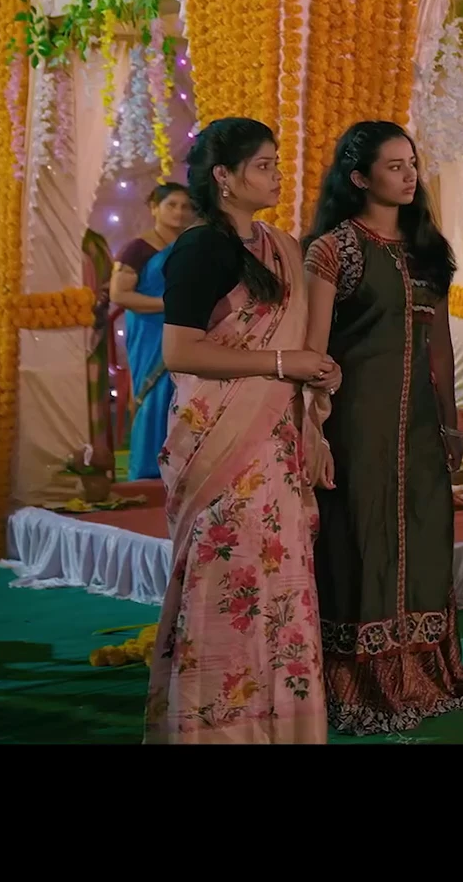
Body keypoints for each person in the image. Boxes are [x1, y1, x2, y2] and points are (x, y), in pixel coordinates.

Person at [146, 117, 338, 744]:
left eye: (276, 162)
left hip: (276, 438)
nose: (276, 173)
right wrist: (283, 363)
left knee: (280, 576)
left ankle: (283, 723)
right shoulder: (201, 248)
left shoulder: (280, 246)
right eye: (263, 164)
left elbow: (296, 347)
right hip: (221, 438)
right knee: (226, 577)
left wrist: (314, 376)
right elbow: (180, 351)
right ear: (223, 177)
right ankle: (218, 728)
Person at [303, 121, 463, 735]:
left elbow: (439, 347)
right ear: (359, 178)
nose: (410, 175)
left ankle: (427, 670)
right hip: (355, 422)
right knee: (362, 539)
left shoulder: (426, 248)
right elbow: (313, 350)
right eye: (395, 166)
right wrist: (312, 428)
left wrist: (451, 423)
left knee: (425, 535)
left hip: (419, 426)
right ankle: (359, 682)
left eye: (412, 163)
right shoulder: (333, 250)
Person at [110, 183, 196, 481]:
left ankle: (181, 473)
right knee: (153, 397)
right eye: (172, 205)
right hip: (150, 332)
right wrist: (168, 304)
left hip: (186, 330)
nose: (179, 212)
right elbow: (120, 295)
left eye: (186, 206)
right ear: (154, 208)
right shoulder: (138, 249)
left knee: (185, 397)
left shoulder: (192, 247)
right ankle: (147, 473)